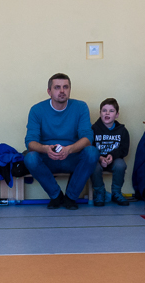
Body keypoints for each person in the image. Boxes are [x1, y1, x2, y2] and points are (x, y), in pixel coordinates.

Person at [23, 73, 98, 210]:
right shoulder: (36, 110)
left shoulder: (80, 107)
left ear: (70, 89)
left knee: (92, 152)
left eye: (65, 87)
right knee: (30, 158)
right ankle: (56, 196)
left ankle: (70, 197)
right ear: (49, 91)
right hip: (48, 158)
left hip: (72, 157)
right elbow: (30, 142)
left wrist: (69, 149)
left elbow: (88, 138)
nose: (62, 91)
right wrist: (46, 149)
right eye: (57, 87)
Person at [90, 98, 130, 206]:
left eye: (111, 111)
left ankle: (116, 193)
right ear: (100, 113)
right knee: (93, 166)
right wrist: (99, 158)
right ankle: (100, 192)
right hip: (98, 160)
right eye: (104, 110)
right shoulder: (93, 129)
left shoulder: (122, 131)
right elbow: (90, 147)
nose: (107, 113)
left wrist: (112, 156)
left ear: (117, 115)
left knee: (120, 165)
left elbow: (124, 150)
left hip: (114, 160)